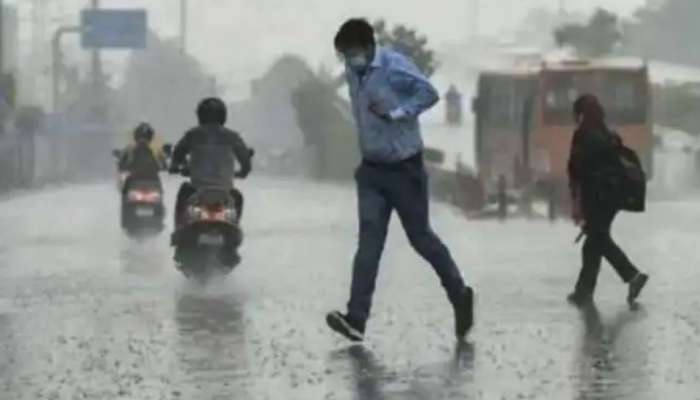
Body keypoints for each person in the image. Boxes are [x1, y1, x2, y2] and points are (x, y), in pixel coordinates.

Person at [326, 19, 474, 343]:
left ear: (367, 48)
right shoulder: (353, 72)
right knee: (368, 245)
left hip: (405, 170)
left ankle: (460, 295)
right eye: (343, 56)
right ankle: (356, 318)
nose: (348, 61)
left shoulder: (394, 66)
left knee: (421, 239)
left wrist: (397, 113)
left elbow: (429, 93)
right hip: (371, 171)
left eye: (351, 53)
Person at [567, 94, 649, 306]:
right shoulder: (608, 135)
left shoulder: (583, 135)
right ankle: (583, 291)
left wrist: (576, 201)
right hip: (615, 196)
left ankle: (632, 275)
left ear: (581, 114)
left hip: (595, 196)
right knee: (594, 241)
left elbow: (576, 170)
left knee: (598, 239)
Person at [170, 97, 252, 230]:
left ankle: (179, 230)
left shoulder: (192, 135)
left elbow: (177, 154)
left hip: (196, 190)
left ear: (200, 115)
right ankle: (234, 228)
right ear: (223, 115)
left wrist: (176, 166)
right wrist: (242, 172)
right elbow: (246, 163)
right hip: (225, 192)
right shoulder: (232, 137)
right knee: (237, 197)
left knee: (183, 192)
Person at [118, 122, 167, 192]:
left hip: (152, 182)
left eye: (145, 137)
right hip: (135, 182)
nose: (142, 140)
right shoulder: (129, 150)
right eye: (140, 137)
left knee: (159, 192)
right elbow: (122, 163)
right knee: (125, 191)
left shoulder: (156, 151)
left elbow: (164, 164)